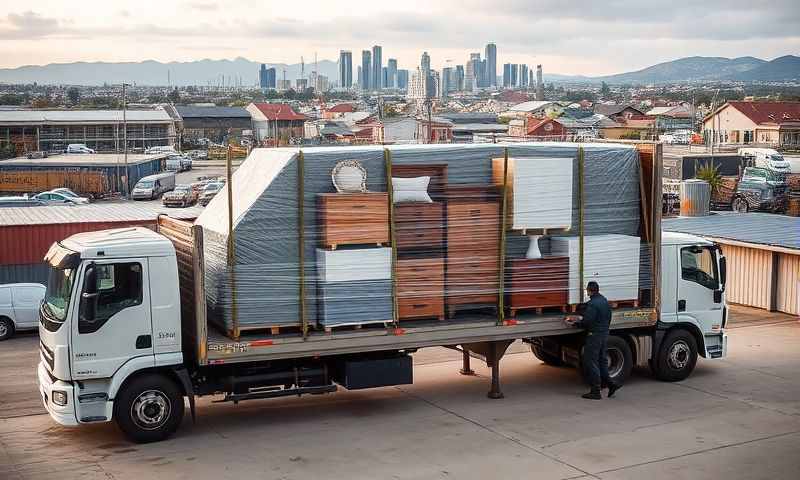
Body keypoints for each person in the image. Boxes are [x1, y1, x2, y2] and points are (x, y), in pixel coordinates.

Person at [569, 281, 621, 400]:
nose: (587, 292)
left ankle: (595, 390)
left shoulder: (593, 305)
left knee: (590, 361)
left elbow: (587, 322)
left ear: (589, 290)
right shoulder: (603, 300)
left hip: (594, 335)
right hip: (604, 334)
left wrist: (575, 323)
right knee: (601, 361)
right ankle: (611, 384)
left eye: (587, 290)